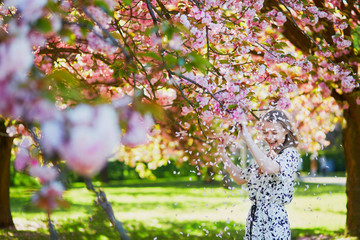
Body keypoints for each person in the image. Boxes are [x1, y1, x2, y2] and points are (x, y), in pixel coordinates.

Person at [218, 109, 300, 240]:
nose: (269, 137)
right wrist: (222, 154)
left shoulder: (290, 154)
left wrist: (248, 139)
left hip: (274, 221)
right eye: (265, 132)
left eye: (274, 132)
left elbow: (268, 167)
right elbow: (240, 178)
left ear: (285, 131)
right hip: (255, 219)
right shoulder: (265, 155)